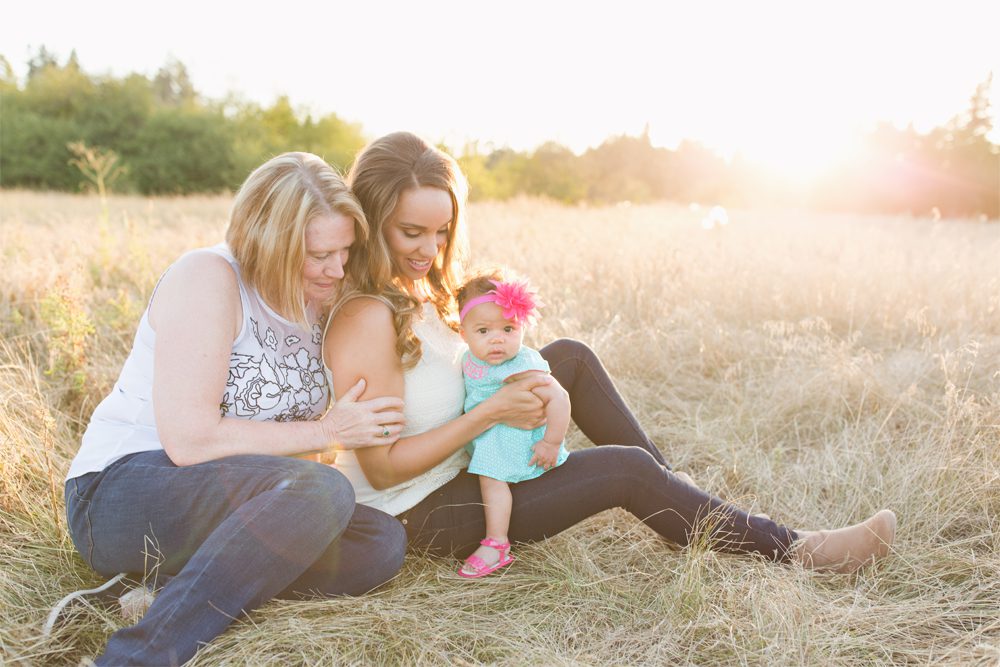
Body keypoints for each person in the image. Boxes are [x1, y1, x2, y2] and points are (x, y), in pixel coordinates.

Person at [325, 131, 897, 581]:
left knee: (568, 356)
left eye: (443, 232)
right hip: (418, 511)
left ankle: (672, 492)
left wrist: (506, 380)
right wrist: (492, 413)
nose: (431, 249)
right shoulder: (367, 317)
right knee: (624, 470)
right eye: (411, 233)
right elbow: (382, 466)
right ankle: (797, 549)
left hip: (470, 464)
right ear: (372, 224)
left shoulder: (417, 292)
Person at [61, 152, 408, 666]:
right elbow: (189, 441)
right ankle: (138, 656)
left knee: (379, 543)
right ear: (270, 243)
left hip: (220, 501)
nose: (337, 269)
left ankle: (174, 583)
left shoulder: (319, 296)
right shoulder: (207, 277)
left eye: (345, 250)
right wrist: (328, 430)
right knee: (321, 491)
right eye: (319, 254)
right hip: (118, 490)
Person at [453, 269, 570, 577]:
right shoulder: (469, 359)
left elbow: (559, 398)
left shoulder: (521, 366)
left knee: (491, 480)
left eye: (508, 329)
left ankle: (496, 544)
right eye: (483, 331)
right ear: (463, 333)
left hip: (514, 438)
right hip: (490, 432)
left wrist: (551, 442)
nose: (497, 340)